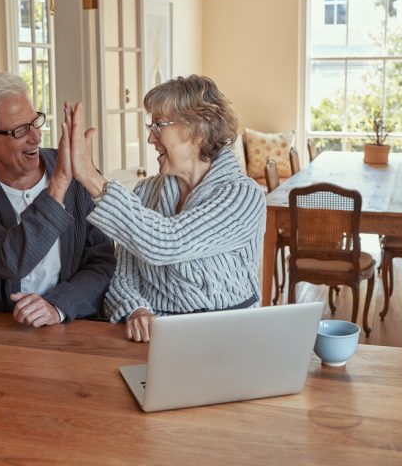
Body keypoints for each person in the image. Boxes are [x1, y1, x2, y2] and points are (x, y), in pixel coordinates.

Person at [67, 74, 266, 342]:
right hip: (156, 340)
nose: (150, 138)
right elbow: (122, 278)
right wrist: (135, 310)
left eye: (159, 125)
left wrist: (91, 178)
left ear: (199, 129)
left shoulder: (244, 195)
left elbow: (168, 241)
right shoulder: (145, 192)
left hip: (231, 337)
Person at [0, 71, 115, 327]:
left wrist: (57, 305)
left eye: (35, 122)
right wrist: (59, 184)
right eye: (20, 130)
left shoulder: (79, 172)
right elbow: (8, 260)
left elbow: (103, 262)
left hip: (75, 325)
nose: (36, 136)